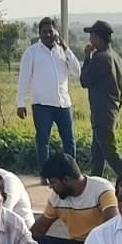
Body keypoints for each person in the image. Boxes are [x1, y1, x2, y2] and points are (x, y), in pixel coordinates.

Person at [31, 153, 120, 244]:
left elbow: (113, 225)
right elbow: (41, 227)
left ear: (66, 179)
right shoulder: (57, 198)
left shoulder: (101, 188)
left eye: (53, 182)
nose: (51, 187)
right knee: (35, 241)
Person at [15, 16, 82, 170]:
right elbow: (24, 79)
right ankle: (46, 173)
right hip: (42, 104)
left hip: (63, 103)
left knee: (69, 140)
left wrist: (66, 48)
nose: (47, 35)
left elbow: (77, 71)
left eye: (50, 31)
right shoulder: (31, 53)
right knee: (43, 140)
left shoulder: (63, 52)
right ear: (39, 33)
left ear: (56, 32)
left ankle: (71, 171)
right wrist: (21, 103)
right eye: (44, 32)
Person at [79, 20, 122, 180]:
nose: (90, 40)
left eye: (91, 36)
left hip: (102, 114)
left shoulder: (99, 58)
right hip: (110, 111)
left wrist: (87, 58)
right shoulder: (116, 57)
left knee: (110, 153)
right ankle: (95, 185)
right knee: (97, 154)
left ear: (98, 38)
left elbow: (84, 81)